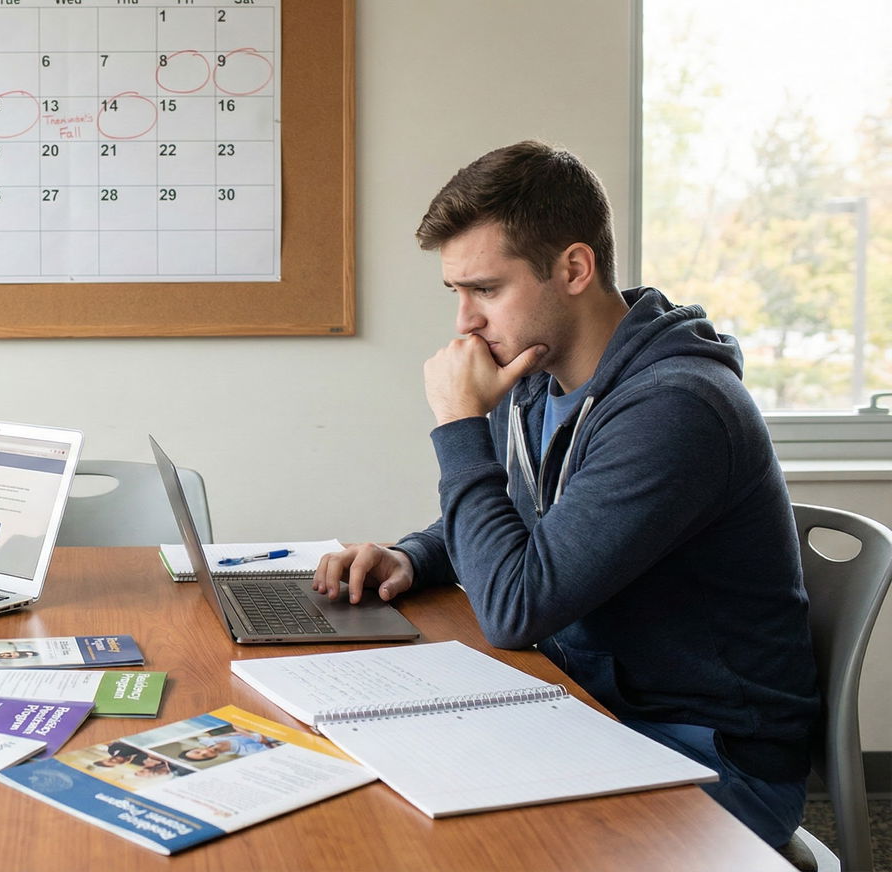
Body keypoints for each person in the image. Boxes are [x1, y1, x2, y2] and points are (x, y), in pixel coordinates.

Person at [311, 141, 818, 849]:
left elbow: (517, 608)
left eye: (485, 289)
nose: (464, 321)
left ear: (574, 268)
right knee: (363, 785)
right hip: (587, 707)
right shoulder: (537, 380)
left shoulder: (677, 408)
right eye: (456, 293)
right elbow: (526, 517)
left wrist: (459, 425)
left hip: (707, 759)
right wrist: (417, 555)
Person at [180, 730, 272, 762]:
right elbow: (268, 742)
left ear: (196, 748)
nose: (206, 752)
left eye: (197, 752)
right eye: (205, 756)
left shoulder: (205, 737)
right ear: (212, 757)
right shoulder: (245, 752)